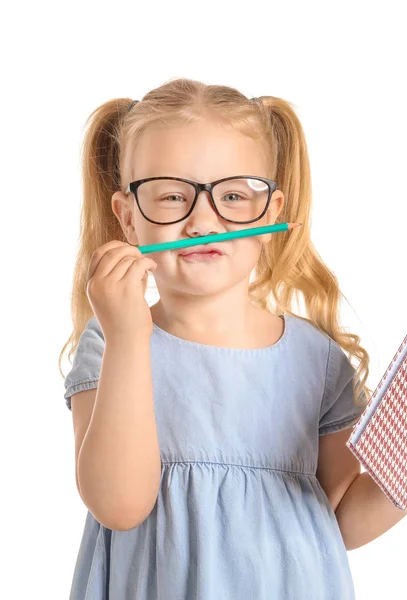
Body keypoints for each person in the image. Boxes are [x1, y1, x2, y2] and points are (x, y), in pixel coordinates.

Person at [59, 77, 373, 599]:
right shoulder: (111, 343)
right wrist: (129, 336)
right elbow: (119, 504)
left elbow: (339, 522)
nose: (203, 222)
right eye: (172, 196)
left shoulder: (317, 360)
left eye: (232, 195)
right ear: (129, 218)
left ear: (271, 216)